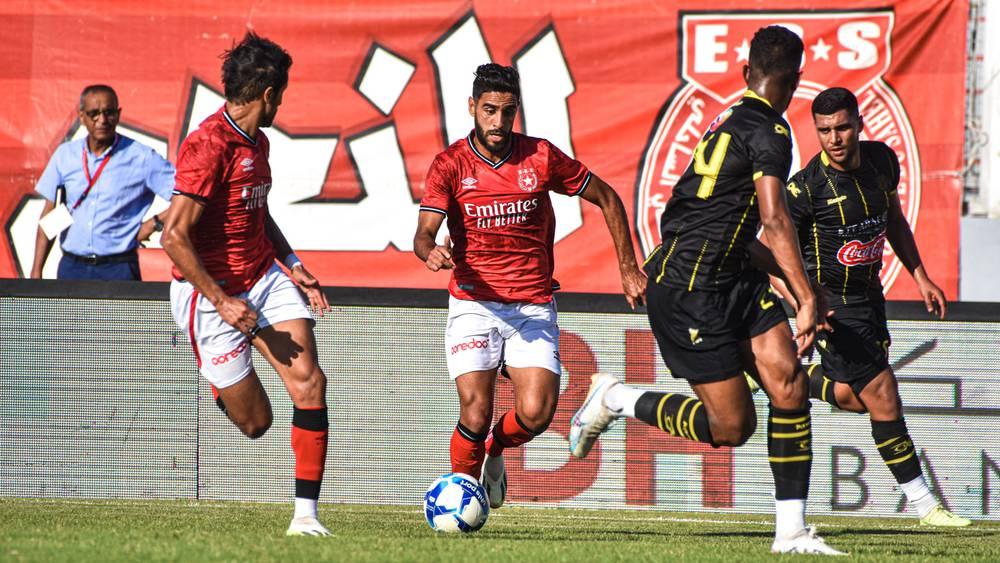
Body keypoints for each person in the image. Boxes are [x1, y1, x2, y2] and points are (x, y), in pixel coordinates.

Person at [569, 26, 845, 555]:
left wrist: (795, 284)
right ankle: (615, 397)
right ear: (795, 81)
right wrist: (806, 298)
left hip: (732, 276)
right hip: (688, 288)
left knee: (787, 385)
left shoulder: (730, 119)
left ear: (747, 74)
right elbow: (773, 218)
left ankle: (790, 534)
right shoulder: (773, 131)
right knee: (732, 426)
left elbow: (738, 230)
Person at [414, 63, 646, 511]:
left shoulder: (540, 157)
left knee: (537, 414)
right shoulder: (450, 164)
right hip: (474, 303)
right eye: (489, 110)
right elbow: (424, 233)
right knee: (475, 411)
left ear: (516, 110)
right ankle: (462, 502)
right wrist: (430, 252)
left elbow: (607, 197)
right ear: (471, 108)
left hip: (532, 305)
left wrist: (628, 267)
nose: (498, 122)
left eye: (507, 111)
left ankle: (494, 451)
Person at [772, 87, 970, 527]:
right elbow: (769, 257)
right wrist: (804, 303)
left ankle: (782, 374)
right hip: (831, 304)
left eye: (842, 127)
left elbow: (893, 220)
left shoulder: (882, 161)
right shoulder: (805, 190)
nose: (834, 138)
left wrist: (920, 276)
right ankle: (926, 507)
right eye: (824, 130)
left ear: (859, 124)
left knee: (854, 397)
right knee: (883, 395)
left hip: (869, 297)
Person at [161, 32, 333, 537]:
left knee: (310, 382)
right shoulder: (207, 146)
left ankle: (305, 518)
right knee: (257, 423)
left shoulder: (259, 142)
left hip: (262, 276)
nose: (283, 99)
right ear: (268, 93)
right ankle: (222, 381)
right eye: (282, 90)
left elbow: (255, 210)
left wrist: (292, 262)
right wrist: (223, 302)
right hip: (209, 294)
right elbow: (173, 237)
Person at [31, 84, 175, 280]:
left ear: (119, 114)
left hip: (119, 268)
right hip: (72, 267)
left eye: (109, 112)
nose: (102, 120)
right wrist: (36, 270)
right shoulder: (65, 156)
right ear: (81, 117)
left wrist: (155, 223)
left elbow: (185, 197)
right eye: (94, 114)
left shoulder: (141, 157)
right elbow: (50, 215)